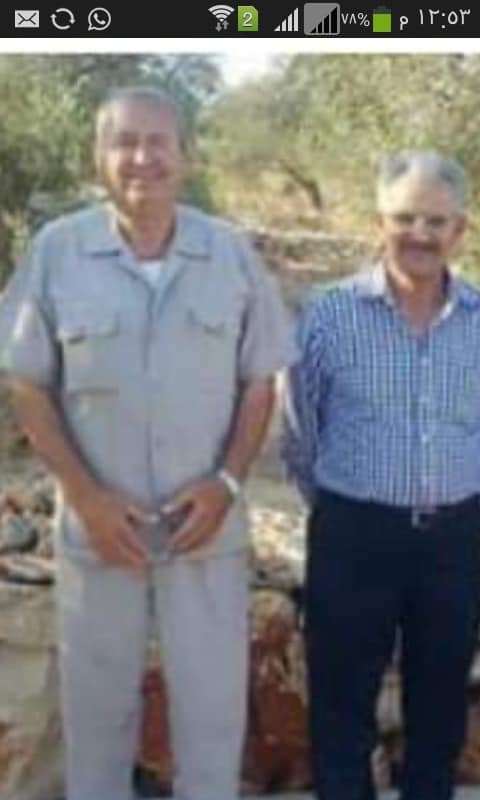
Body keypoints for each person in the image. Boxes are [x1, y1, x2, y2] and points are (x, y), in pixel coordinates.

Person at [0, 87, 294, 800]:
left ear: (186, 155)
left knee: (213, 722)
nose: (142, 158)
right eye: (124, 142)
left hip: (206, 533)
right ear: (98, 157)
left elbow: (260, 382)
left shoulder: (228, 254)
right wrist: (86, 499)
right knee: (97, 720)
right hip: (99, 534)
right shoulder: (57, 252)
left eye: (158, 142)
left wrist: (227, 484)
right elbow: (28, 385)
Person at [283, 150, 480, 800]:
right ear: (379, 222)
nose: (419, 233)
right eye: (404, 218)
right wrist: (341, 506)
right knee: (342, 707)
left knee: (440, 707)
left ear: (460, 230)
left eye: (436, 221)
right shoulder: (329, 314)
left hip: (455, 540)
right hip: (353, 534)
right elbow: (299, 429)